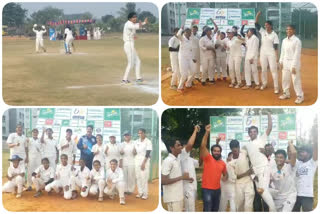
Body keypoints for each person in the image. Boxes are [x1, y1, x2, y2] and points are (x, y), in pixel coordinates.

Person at [243, 112, 276, 211]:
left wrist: (269, 115)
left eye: (254, 131)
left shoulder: (261, 140)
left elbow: (269, 128)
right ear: (248, 134)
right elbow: (247, 160)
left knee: (264, 191)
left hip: (264, 168)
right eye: (251, 132)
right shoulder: (246, 145)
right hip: (256, 172)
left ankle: (274, 210)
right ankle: (275, 193)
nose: (252, 133)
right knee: (261, 191)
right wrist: (253, 175)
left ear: (257, 133)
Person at [200, 124, 227, 212]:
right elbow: (203, 146)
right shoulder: (208, 158)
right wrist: (207, 132)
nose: (216, 152)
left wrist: (225, 178)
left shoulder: (223, 163)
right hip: (207, 190)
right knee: (207, 209)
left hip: (217, 190)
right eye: (214, 151)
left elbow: (225, 174)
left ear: (220, 153)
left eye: (218, 151)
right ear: (211, 152)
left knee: (215, 209)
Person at [161, 139, 193, 211]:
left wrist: (186, 178)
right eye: (178, 145)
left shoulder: (177, 158)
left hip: (177, 196)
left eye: (180, 145)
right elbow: (163, 181)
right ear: (171, 148)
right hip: (173, 198)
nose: (181, 147)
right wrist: (182, 177)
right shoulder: (168, 161)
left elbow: (174, 175)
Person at [279, 25, 304, 104]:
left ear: (294, 31)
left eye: (290, 29)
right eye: (287, 29)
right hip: (285, 62)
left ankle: (300, 96)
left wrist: (293, 66)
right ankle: (286, 93)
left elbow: (297, 55)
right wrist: (281, 61)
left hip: (294, 62)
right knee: (285, 79)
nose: (288, 31)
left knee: (295, 80)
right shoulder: (284, 40)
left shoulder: (297, 41)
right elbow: (282, 52)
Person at [255, 11, 280, 93]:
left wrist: (276, 57)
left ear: (271, 26)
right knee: (263, 69)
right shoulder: (263, 31)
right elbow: (256, 24)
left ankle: (276, 87)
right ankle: (264, 83)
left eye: (267, 25)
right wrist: (258, 15)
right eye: (265, 25)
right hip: (263, 53)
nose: (266, 26)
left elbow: (276, 47)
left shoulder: (274, 34)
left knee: (273, 70)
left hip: (271, 53)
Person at [269, 141, 297, 211]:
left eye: (281, 157)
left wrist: (290, 143)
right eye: (277, 157)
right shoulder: (272, 169)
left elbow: (294, 153)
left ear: (285, 159)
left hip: (289, 196)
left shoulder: (290, 167)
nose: (279, 159)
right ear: (275, 158)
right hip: (278, 197)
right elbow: (269, 182)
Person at [122, 12, 148, 84]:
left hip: (131, 45)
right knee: (131, 63)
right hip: (129, 44)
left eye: (136, 17)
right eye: (133, 17)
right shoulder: (128, 24)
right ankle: (124, 79)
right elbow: (136, 26)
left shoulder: (131, 24)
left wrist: (143, 23)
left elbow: (136, 25)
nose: (135, 18)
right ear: (130, 18)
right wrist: (141, 24)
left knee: (138, 61)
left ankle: (138, 78)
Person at [229, 139, 255, 211]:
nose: (236, 151)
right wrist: (246, 173)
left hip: (248, 182)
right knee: (240, 205)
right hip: (238, 185)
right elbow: (235, 177)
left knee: (248, 206)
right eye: (234, 151)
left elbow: (252, 156)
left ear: (239, 147)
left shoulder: (243, 152)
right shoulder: (230, 162)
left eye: (237, 149)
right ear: (231, 149)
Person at [180, 125, 200, 212]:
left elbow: (200, 164)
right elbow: (190, 144)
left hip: (193, 186)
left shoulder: (190, 159)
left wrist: (202, 147)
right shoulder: (182, 155)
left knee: (190, 208)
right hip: (187, 187)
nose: (188, 149)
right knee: (190, 209)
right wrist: (195, 131)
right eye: (185, 147)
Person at [292, 142, 318, 211]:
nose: (300, 153)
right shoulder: (298, 163)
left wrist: (315, 138)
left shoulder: (312, 163)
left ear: (309, 154)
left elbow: (316, 149)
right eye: (300, 152)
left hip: (307, 195)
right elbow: (292, 155)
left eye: (303, 152)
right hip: (296, 195)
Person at [176, 27, 197, 92]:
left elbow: (191, 49)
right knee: (184, 74)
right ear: (184, 32)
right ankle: (180, 87)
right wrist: (181, 29)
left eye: (190, 32)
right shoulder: (182, 38)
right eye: (188, 32)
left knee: (193, 71)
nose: (189, 33)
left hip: (190, 57)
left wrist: (193, 58)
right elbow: (178, 35)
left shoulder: (191, 39)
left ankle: (188, 83)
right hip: (183, 58)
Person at [134, 128, 152, 199]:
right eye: (139, 133)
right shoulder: (136, 141)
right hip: (137, 160)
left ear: (144, 133)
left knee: (144, 177)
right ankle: (140, 192)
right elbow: (135, 151)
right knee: (138, 177)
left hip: (145, 160)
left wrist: (144, 163)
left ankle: (145, 194)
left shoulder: (148, 141)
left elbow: (148, 153)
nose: (140, 134)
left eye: (141, 133)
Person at [240, 25, 260, 89]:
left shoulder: (255, 38)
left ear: (251, 32)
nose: (247, 33)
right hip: (247, 56)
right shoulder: (249, 38)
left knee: (254, 71)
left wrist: (252, 57)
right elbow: (248, 47)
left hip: (252, 57)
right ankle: (248, 84)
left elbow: (255, 49)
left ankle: (257, 84)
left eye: (248, 32)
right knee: (247, 71)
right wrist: (243, 43)